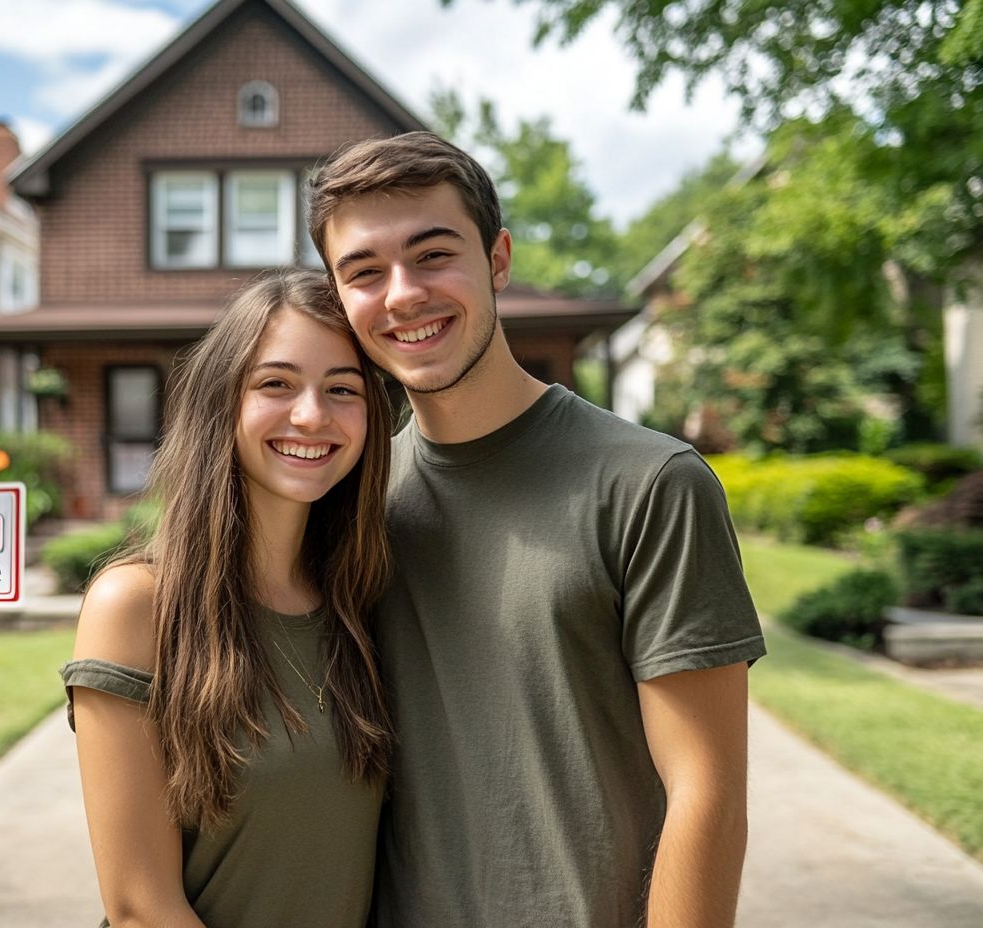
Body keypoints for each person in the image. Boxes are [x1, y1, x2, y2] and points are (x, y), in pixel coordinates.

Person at [307, 132, 767, 928]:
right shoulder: (351, 499)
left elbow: (709, 796)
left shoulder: (650, 485)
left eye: (433, 254)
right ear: (340, 297)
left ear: (498, 259)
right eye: (365, 272)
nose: (403, 294)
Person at [61, 269, 393, 928]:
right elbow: (139, 908)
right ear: (222, 402)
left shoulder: (361, 603)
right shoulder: (134, 606)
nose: (311, 415)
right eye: (276, 383)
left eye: (342, 389)